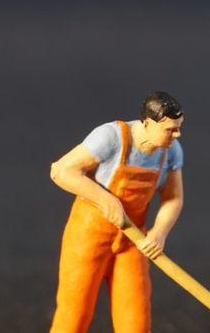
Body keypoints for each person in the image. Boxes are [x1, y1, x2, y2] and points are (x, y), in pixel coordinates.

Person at [48, 91, 185, 333]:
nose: (177, 135)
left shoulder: (171, 152)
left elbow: (173, 198)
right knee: (75, 313)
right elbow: (61, 171)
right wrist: (105, 200)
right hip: (88, 237)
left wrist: (159, 233)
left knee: (135, 319)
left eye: (179, 128)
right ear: (148, 123)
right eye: (170, 130)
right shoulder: (111, 138)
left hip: (133, 242)